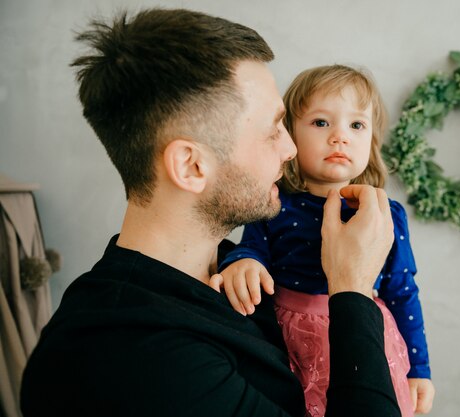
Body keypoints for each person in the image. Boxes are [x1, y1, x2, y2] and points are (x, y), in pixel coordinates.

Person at [19, 8, 404, 417]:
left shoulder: (243, 274)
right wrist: (352, 287)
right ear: (191, 166)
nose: (290, 149)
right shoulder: (133, 356)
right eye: (273, 129)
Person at [217, 65, 435, 416]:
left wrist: (420, 369)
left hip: (367, 334)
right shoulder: (274, 202)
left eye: (356, 125)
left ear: (371, 140)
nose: (340, 137)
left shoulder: (383, 212)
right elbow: (251, 247)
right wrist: (243, 261)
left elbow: (402, 291)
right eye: (321, 123)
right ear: (290, 136)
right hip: (289, 340)